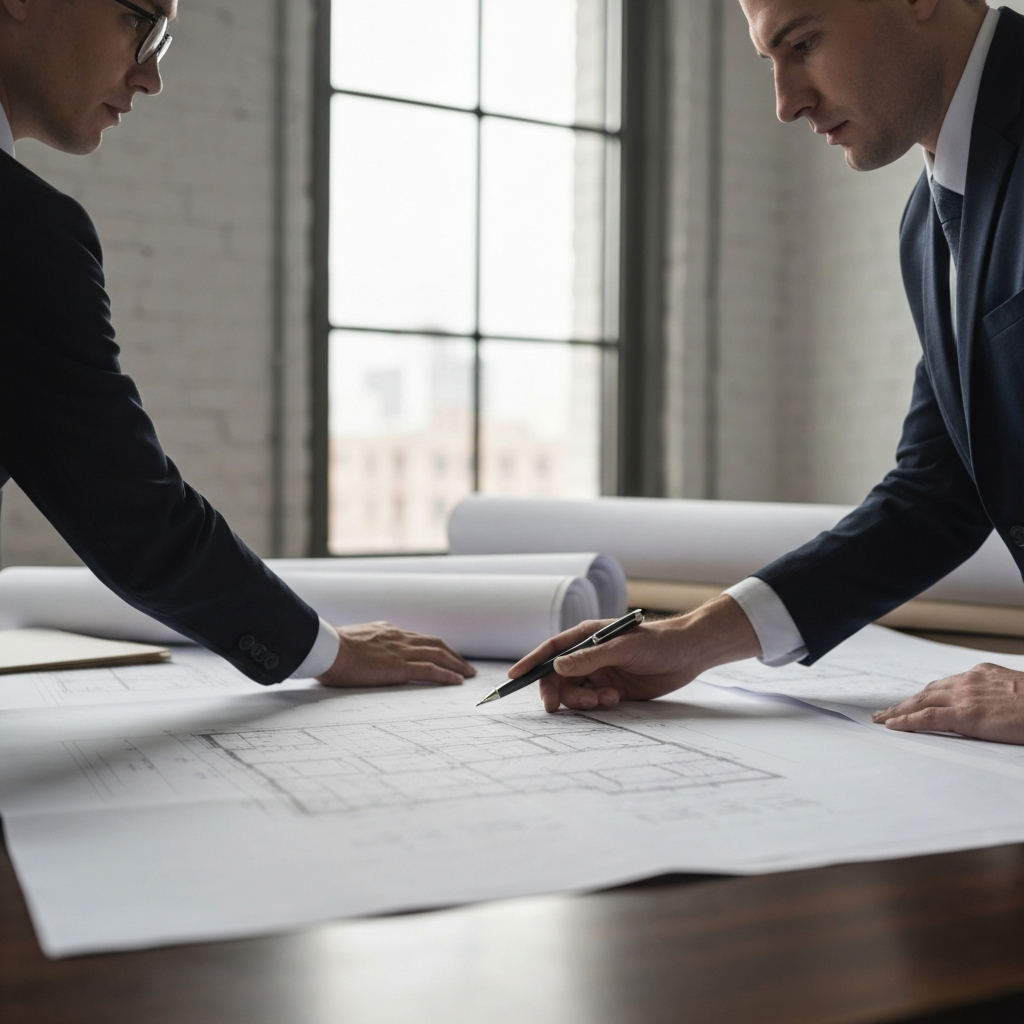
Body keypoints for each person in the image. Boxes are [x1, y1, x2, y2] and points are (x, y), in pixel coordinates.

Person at [513, 0, 1024, 745]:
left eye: (805, 43)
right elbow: (935, 496)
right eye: (769, 62)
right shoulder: (929, 224)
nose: (786, 104)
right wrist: (693, 636)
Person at [0, 0, 475, 690]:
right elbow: (133, 516)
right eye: (138, 20)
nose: (151, 75)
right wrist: (327, 651)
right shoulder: (22, 230)